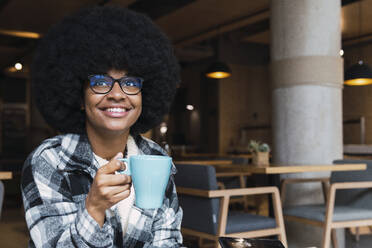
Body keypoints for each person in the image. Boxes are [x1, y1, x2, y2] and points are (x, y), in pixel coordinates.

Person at [21, 5, 183, 247]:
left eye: (129, 82)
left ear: (144, 95)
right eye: (100, 81)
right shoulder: (49, 161)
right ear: (78, 96)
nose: (117, 94)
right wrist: (94, 208)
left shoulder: (156, 158)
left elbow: (167, 240)